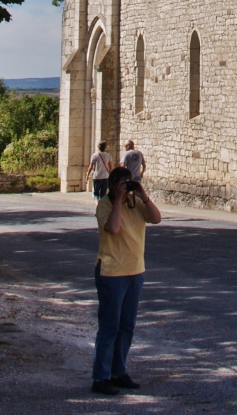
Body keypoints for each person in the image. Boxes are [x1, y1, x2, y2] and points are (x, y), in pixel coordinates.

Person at [91, 164, 162, 395]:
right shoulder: (105, 205)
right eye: (123, 184)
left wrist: (143, 195)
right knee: (110, 327)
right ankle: (101, 378)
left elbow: (156, 219)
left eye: (129, 183)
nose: (127, 188)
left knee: (127, 326)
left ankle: (118, 372)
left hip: (135, 271)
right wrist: (118, 199)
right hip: (111, 273)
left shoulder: (137, 203)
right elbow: (112, 228)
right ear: (113, 186)